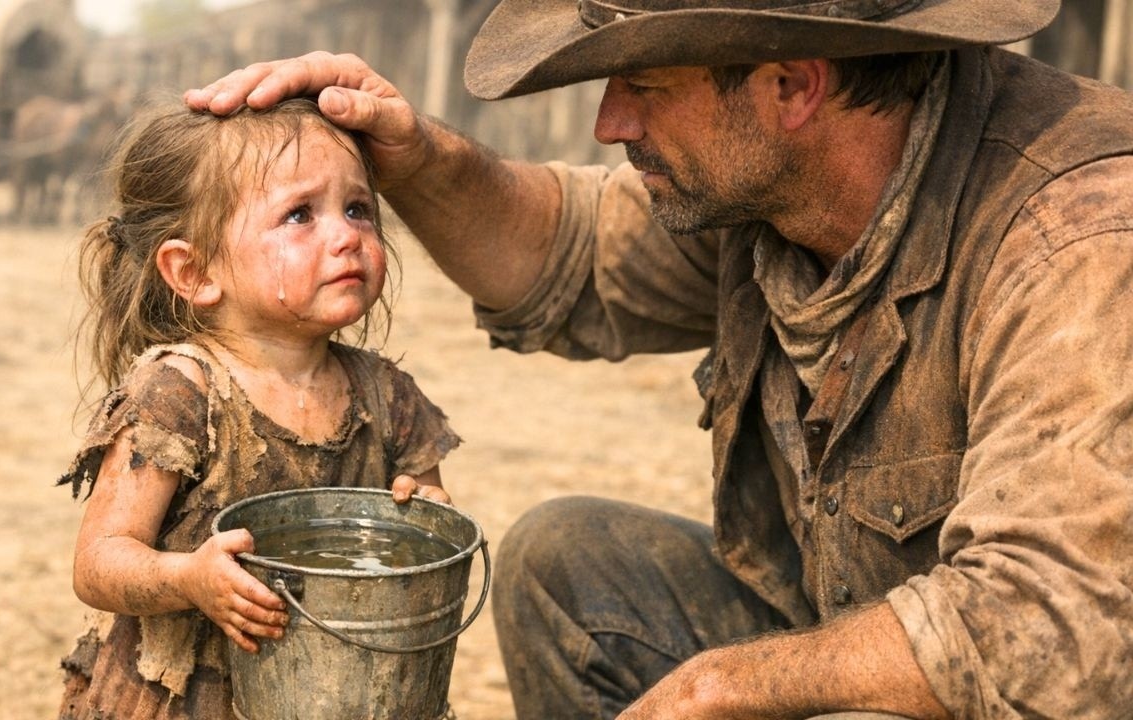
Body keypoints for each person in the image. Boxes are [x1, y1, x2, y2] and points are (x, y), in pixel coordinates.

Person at [185, 0, 1133, 717]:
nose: (610, 122)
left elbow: (1052, 627)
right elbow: (565, 256)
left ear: (792, 86)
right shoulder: (777, 186)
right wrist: (418, 157)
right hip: (862, 628)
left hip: (1031, 682)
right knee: (568, 567)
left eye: (647, 85)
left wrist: (728, 685)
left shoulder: (1078, 235)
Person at [55, 98, 461, 719]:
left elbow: (427, 513)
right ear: (193, 271)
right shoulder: (180, 393)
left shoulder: (387, 395)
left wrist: (424, 518)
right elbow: (99, 561)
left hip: (342, 692)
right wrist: (189, 579)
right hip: (184, 699)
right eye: (300, 215)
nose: (347, 234)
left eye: (357, 208)